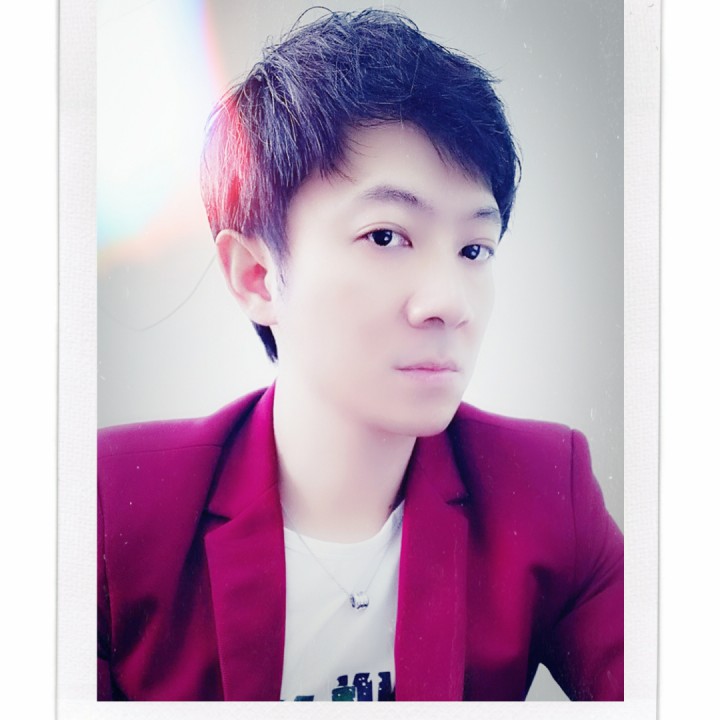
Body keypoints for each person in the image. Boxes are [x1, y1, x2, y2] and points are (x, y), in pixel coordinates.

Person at [97, 8, 623, 702]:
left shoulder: (547, 493)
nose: (449, 302)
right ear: (256, 276)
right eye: (385, 236)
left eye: (474, 249)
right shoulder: (113, 505)